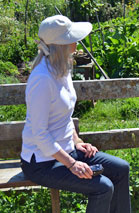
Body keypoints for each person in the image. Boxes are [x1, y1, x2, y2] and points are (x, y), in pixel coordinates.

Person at [20, 15, 131, 213]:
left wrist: (78, 142)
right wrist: (72, 164)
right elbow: (40, 134)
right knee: (102, 188)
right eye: (71, 38)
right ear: (60, 45)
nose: (76, 42)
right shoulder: (42, 79)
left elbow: (64, 116)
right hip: (42, 163)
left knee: (121, 169)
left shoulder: (62, 69)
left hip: (66, 150)